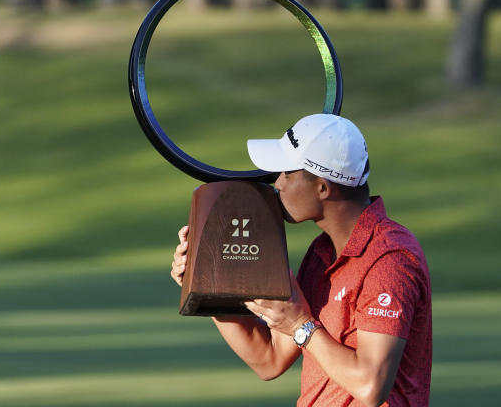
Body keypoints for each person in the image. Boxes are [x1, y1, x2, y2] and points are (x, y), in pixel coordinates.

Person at [170, 113, 431, 407]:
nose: (277, 183)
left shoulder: (389, 258)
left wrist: (300, 325)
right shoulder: (321, 254)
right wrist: (208, 284)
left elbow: (371, 386)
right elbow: (268, 360)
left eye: (287, 173)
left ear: (322, 188)